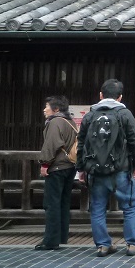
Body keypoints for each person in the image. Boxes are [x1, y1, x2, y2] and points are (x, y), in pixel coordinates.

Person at [76, 79, 135, 257]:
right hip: (121, 169)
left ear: (101, 95)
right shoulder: (125, 114)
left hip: (96, 170)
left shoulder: (90, 115)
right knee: (130, 205)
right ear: (120, 97)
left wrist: (81, 168)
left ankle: (103, 245)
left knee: (97, 208)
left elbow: (81, 143)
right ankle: (132, 243)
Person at [36, 95, 78, 250]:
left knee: (51, 203)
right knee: (63, 203)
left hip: (57, 167)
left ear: (56, 109)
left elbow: (52, 144)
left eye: (47, 106)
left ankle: (51, 240)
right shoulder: (71, 122)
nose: (44, 109)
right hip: (70, 166)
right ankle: (61, 236)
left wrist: (44, 164)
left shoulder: (55, 122)